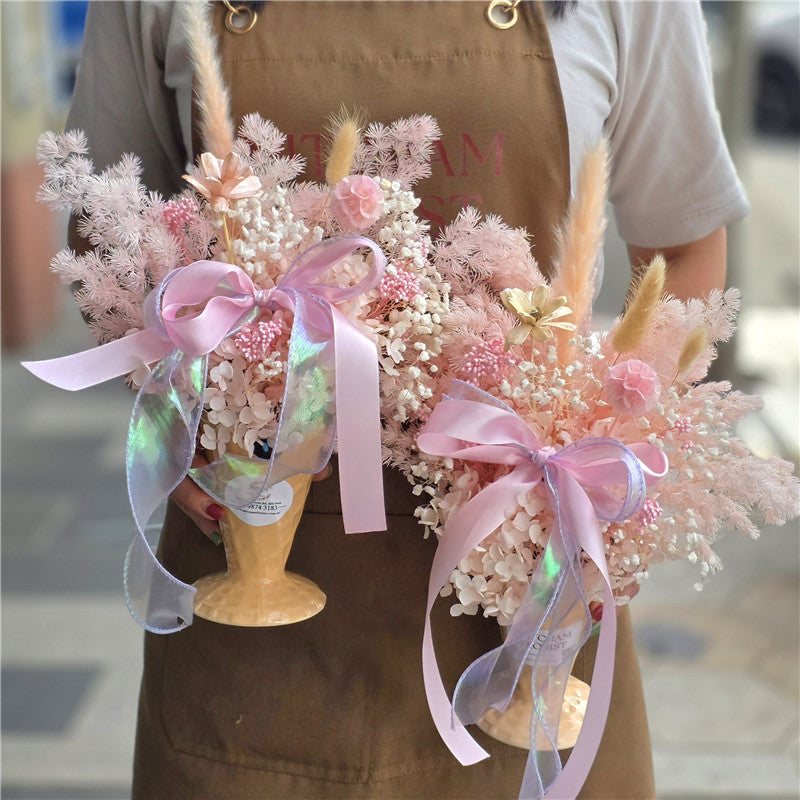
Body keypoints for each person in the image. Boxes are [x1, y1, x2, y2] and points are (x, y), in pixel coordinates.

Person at [65, 2, 748, 798]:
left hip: (529, 620)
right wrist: (176, 424)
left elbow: (684, 239)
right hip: (249, 617)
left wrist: (611, 452)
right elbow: (108, 232)